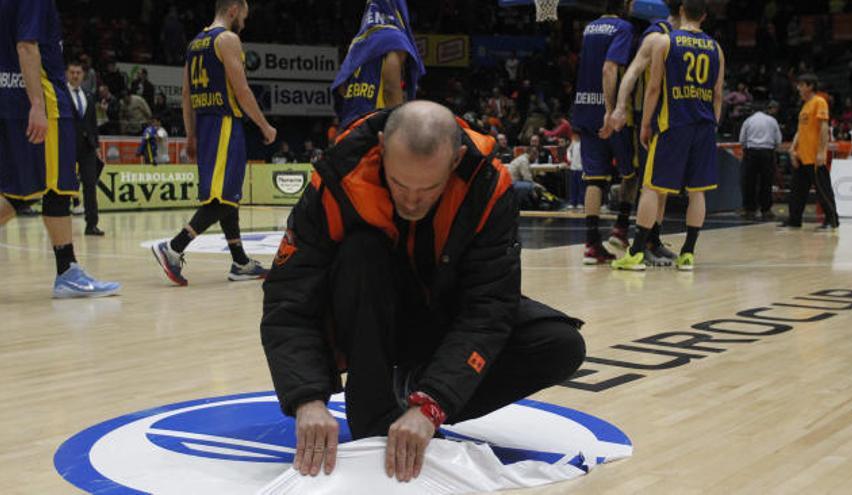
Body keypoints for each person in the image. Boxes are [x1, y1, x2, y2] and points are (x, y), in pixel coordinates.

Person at [261, 101, 585, 482]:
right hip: (369, 320)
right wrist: (306, 398)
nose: (411, 200)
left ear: (456, 159)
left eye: (428, 188)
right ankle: (375, 410)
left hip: (443, 321)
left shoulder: (487, 185)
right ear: (381, 147)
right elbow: (288, 297)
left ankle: (413, 397)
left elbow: (489, 307)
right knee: (361, 250)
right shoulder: (337, 177)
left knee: (560, 345)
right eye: (400, 183)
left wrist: (433, 404)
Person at [151, 0, 277, 286]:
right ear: (233, 9)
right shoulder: (228, 39)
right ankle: (173, 247)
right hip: (224, 123)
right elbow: (242, 90)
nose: (245, 19)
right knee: (222, 198)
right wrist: (264, 125)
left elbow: (185, 95)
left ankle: (240, 261)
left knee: (228, 195)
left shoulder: (195, 43)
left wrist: (191, 135)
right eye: (244, 13)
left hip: (206, 126)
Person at [0, 0, 119, 298]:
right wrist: (38, 105)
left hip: (13, 99)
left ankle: (68, 270)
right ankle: (67, 272)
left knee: (19, 191)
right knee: (56, 188)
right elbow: (26, 46)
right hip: (44, 102)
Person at [613, 0, 725, 272]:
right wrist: (713, 125)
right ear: (705, 16)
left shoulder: (665, 42)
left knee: (652, 187)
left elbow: (653, 89)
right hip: (704, 125)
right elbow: (718, 95)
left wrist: (646, 124)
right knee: (697, 193)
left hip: (673, 124)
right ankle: (688, 254)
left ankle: (637, 253)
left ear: (681, 12)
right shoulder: (716, 48)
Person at [609, 0, 682, 266]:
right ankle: (640, 243)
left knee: (662, 185)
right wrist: (618, 107)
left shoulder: (679, 39)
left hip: (671, 118)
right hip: (647, 117)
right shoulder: (655, 35)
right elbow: (631, 73)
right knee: (648, 183)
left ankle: (654, 239)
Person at [571, 0, 636, 265]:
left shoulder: (589, 28)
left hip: (583, 107)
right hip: (610, 113)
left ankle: (591, 244)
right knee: (632, 172)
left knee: (594, 179)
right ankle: (621, 229)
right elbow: (609, 68)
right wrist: (610, 110)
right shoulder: (623, 27)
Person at [331, 0, 425, 128]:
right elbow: (390, 89)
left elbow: (342, 87)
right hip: (375, 127)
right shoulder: (394, 38)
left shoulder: (356, 43)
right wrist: (399, 128)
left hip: (350, 126)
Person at [780, 74, 839, 231]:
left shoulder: (819, 102)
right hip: (801, 156)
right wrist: (793, 148)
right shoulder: (805, 105)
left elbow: (824, 128)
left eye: (801, 85)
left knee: (823, 190)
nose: (798, 88)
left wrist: (821, 152)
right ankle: (794, 220)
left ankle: (831, 220)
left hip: (814, 156)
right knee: (797, 191)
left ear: (810, 86)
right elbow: (801, 131)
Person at [66, 61, 105, 236]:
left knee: (90, 185)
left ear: (83, 75)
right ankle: (60, 224)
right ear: (67, 74)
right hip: (67, 145)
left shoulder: (88, 95)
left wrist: (96, 146)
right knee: (63, 185)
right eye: (72, 72)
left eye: (78, 73)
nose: (75, 75)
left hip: (88, 147)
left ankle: (91, 224)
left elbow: (93, 124)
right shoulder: (61, 94)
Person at [739, 101, 782, 221]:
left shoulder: (748, 121)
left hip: (751, 152)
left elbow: (742, 139)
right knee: (766, 182)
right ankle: (766, 210)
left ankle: (749, 210)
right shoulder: (772, 120)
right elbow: (778, 139)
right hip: (767, 152)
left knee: (749, 182)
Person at [567, 130, 585, 209]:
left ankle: (580, 202)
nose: (573, 137)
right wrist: (570, 159)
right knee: (573, 186)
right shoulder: (573, 142)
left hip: (581, 168)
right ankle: (572, 202)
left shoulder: (583, 143)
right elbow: (568, 150)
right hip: (573, 167)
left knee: (581, 186)